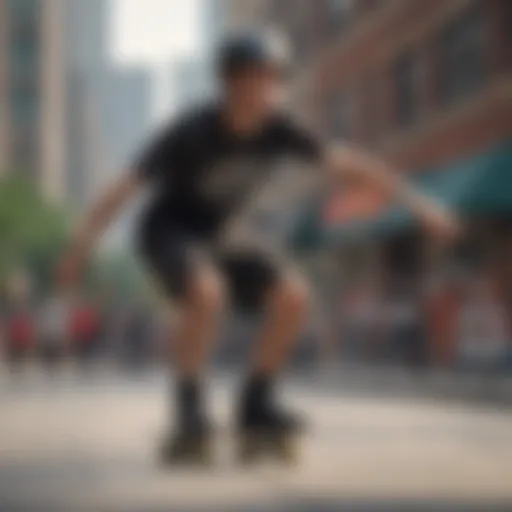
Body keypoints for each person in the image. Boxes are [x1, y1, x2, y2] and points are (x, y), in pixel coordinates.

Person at [57, 30, 459, 465]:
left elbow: (350, 166)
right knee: (207, 293)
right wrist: (81, 246)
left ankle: (256, 405)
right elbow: (123, 188)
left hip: (222, 232)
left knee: (293, 296)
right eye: (253, 80)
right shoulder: (190, 132)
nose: (265, 90)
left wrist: (418, 203)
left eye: (272, 80)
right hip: (169, 229)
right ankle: (188, 408)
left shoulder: (281, 130)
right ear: (229, 83)